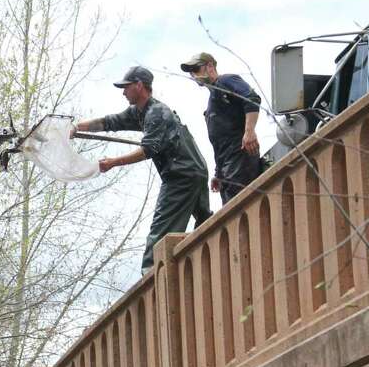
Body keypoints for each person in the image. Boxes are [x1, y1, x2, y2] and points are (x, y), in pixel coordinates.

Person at [74, 65, 211, 272]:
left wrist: (112, 162)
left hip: (181, 176)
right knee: (205, 224)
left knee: (159, 236)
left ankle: (152, 278)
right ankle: (206, 263)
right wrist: (75, 128)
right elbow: (108, 122)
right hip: (195, 171)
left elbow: (148, 150)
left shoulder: (157, 112)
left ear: (139, 86)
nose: (123, 92)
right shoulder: (139, 112)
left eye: (126, 87)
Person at [179, 52, 262, 204]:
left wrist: (249, 131)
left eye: (196, 69)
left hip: (240, 155)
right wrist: (218, 173)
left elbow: (252, 99)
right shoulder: (211, 103)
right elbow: (219, 143)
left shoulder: (226, 80)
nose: (193, 75)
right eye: (191, 72)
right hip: (227, 166)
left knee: (239, 206)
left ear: (210, 66)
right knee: (230, 209)